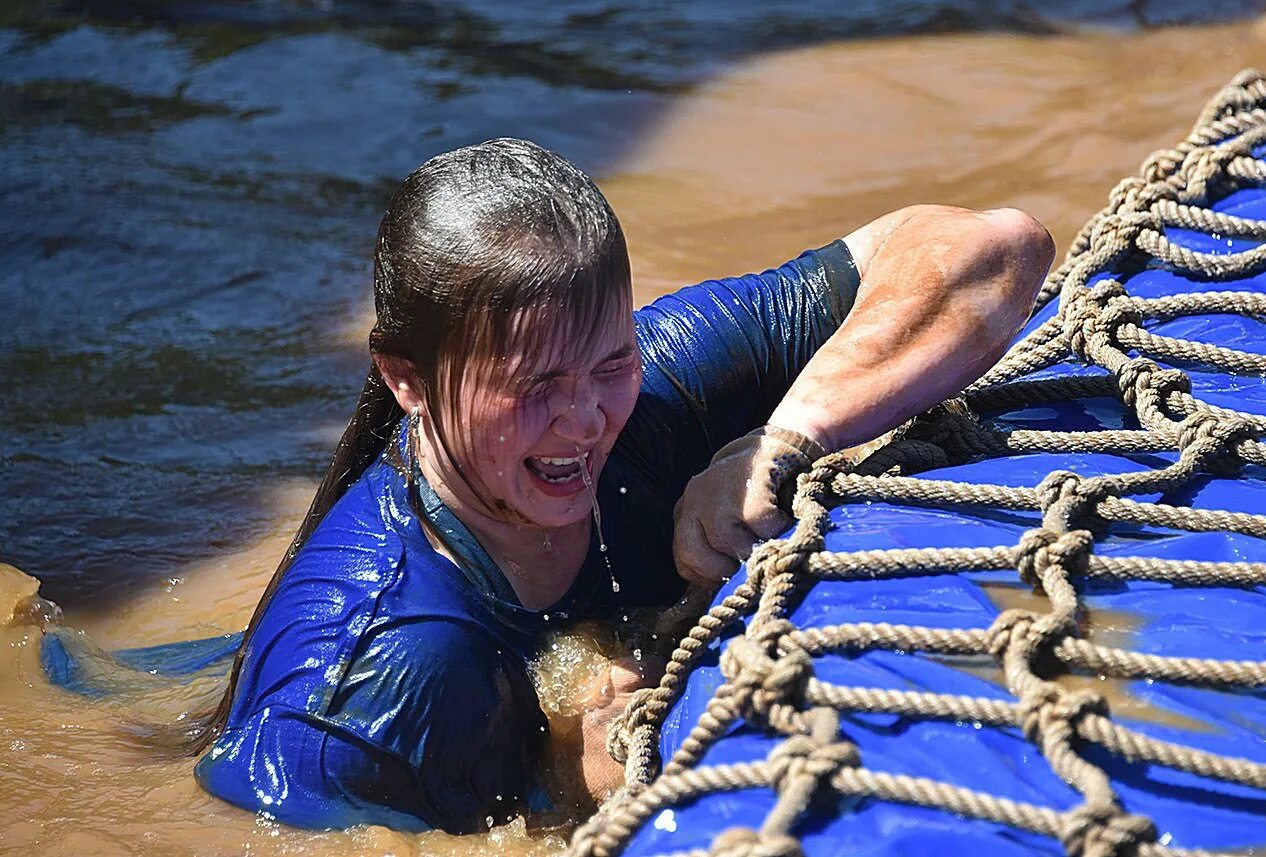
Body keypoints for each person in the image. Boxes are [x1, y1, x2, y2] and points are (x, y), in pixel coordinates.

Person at [192, 138, 1053, 833]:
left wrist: (783, 441)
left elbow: (994, 247)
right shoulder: (365, 700)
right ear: (407, 380)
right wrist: (562, 791)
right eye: (533, 387)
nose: (586, 421)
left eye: (611, 362)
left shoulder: (651, 400)